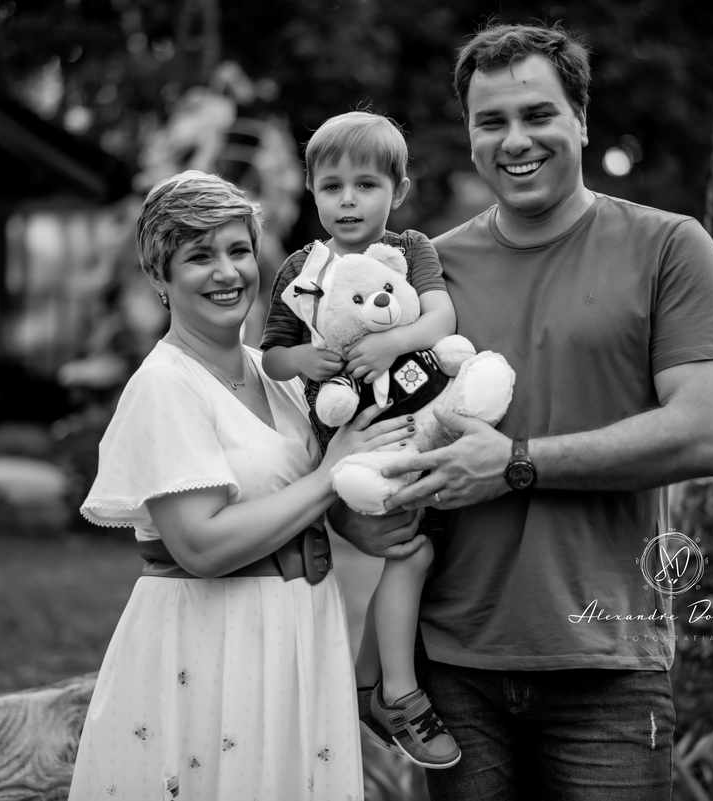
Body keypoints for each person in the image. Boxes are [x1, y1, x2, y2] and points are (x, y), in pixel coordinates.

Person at [331, 22, 713, 800]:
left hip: (608, 663)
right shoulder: (424, 276)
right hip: (452, 668)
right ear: (469, 135)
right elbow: (359, 429)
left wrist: (517, 463)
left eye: (538, 114)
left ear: (581, 121)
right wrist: (357, 518)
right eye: (491, 121)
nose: (515, 140)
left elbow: (704, 432)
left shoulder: (669, 247)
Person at [67, 171, 416, 800]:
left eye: (238, 250)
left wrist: (384, 507)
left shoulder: (276, 373)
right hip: (211, 645)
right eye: (199, 256)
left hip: (300, 632)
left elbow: (308, 497)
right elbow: (200, 547)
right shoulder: (166, 384)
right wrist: (331, 476)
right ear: (159, 277)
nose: (227, 272)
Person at [261, 110, 462, 769]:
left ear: (397, 191)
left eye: (366, 185)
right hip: (350, 440)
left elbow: (440, 315)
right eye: (332, 186)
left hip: (411, 424)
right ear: (312, 190)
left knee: (417, 549)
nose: (348, 201)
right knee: (412, 552)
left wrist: (390, 342)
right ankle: (396, 692)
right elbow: (273, 354)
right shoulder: (303, 267)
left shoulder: (411, 249)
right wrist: (303, 359)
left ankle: (368, 682)